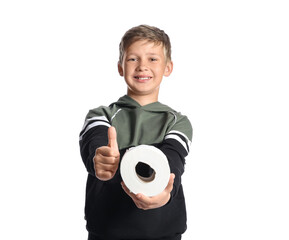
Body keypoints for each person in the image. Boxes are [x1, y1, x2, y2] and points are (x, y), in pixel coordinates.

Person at [79, 25, 193, 240]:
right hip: (107, 232)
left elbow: (173, 160)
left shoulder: (178, 122)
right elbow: (96, 145)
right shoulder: (100, 115)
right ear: (120, 67)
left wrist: (165, 191)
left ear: (168, 68)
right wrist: (101, 159)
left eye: (152, 59)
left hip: (163, 233)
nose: (142, 66)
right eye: (133, 59)